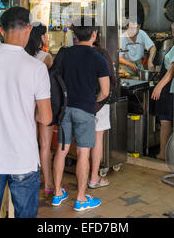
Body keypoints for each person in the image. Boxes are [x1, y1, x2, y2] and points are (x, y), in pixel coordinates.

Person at [0, 6, 52, 218]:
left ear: (2, 32)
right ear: (29, 29)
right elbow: (46, 117)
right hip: (22, 156)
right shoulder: (36, 67)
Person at [52, 18, 110, 212]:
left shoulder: (64, 54)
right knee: (83, 154)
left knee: (62, 150)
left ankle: (58, 193)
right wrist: (92, 103)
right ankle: (81, 198)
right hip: (85, 110)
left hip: (64, 109)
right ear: (94, 34)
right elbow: (105, 91)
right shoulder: (98, 58)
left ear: (74, 35)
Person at [25, 23, 54, 196]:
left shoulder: (23, 56)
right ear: (42, 37)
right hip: (41, 104)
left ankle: (31, 178)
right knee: (45, 145)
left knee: (30, 143)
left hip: (26, 106)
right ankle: (49, 182)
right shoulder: (45, 57)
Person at [89, 31, 117, 189]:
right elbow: (111, 78)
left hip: (81, 103)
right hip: (99, 102)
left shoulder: (72, 52)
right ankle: (94, 178)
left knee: (83, 141)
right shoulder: (101, 53)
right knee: (97, 139)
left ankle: (85, 177)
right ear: (95, 35)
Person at [151, 23, 174, 160]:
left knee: (165, 120)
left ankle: (163, 153)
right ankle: (166, 152)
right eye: (172, 29)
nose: (173, 32)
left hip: (168, 88)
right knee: (166, 120)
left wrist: (159, 86)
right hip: (168, 87)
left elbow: (172, 70)